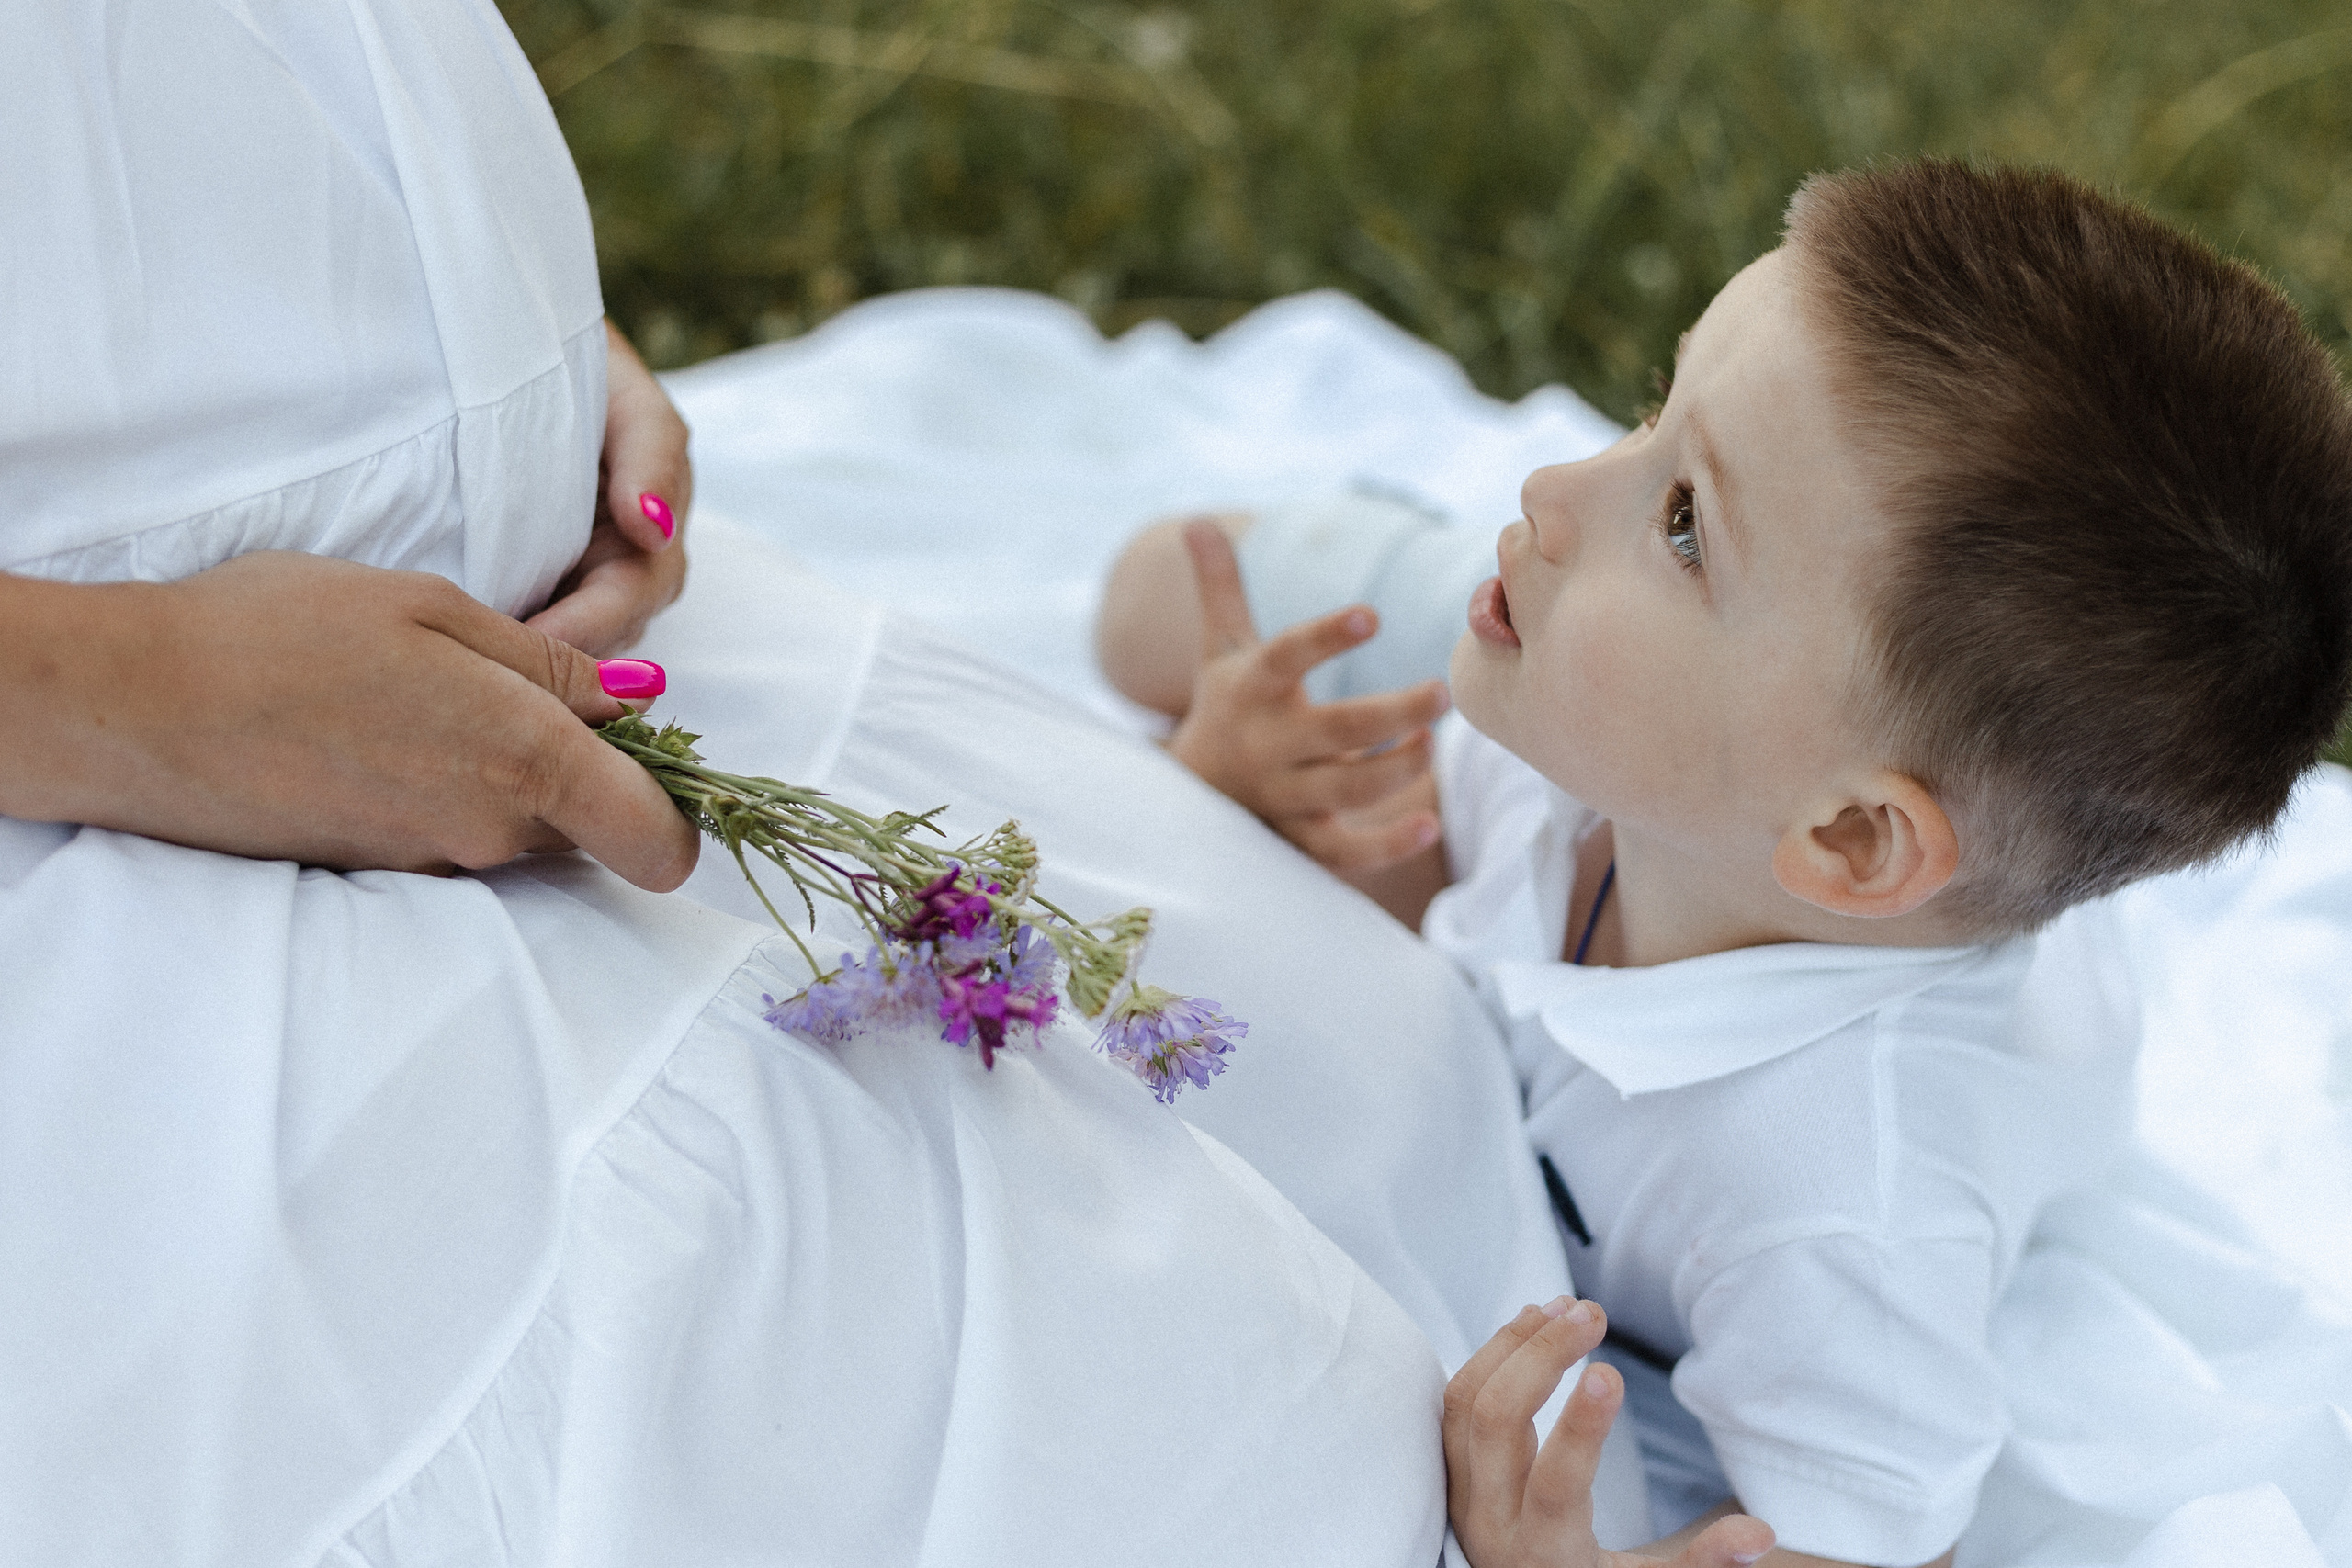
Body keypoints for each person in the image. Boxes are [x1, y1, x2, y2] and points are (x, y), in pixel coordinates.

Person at [0, 6, 1577, 1563]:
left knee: (1356, 1092)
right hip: (136, 831)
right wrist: (159, 697)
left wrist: (507, 320)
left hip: (605, 638)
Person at [1094, 160, 2352, 1567]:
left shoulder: (1833, 1212)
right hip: (1689, 739)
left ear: (1850, 838)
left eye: (1685, 519)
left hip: (1955, 1047)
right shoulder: (1603, 742)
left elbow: (1873, 1548)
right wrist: (1237, 776)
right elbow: (1151, 619)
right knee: (1205, 615)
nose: (1554, 485)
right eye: (1654, 401)